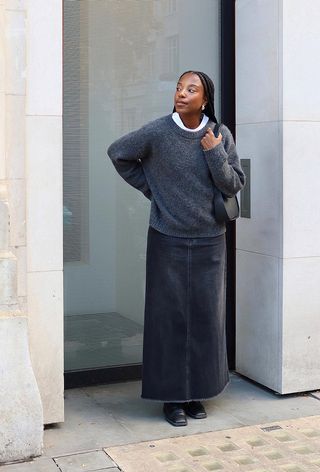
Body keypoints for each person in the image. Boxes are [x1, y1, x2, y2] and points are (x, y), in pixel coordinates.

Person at [107, 70, 246, 427]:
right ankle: (172, 398)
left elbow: (234, 183)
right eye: (179, 87)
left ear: (205, 98)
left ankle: (197, 393)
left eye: (191, 89)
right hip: (167, 239)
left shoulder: (220, 134)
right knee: (168, 320)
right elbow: (119, 153)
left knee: (205, 319)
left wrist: (215, 153)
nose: (181, 93)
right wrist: (153, 191)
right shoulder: (157, 132)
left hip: (210, 241)